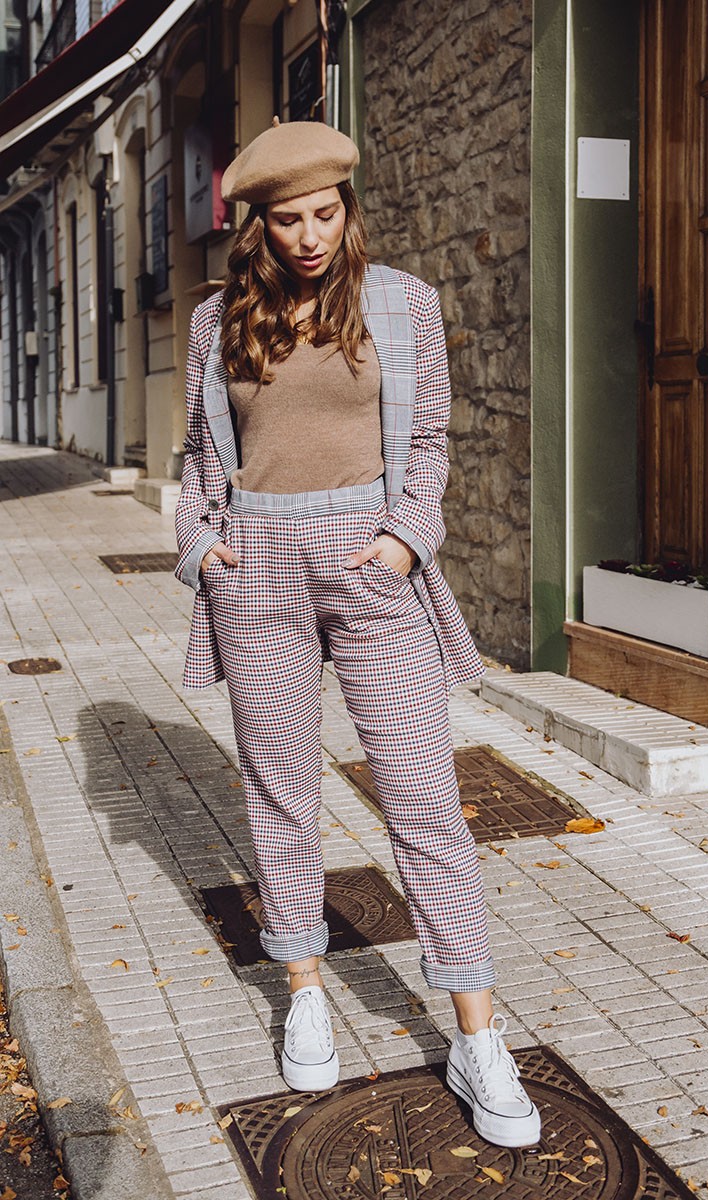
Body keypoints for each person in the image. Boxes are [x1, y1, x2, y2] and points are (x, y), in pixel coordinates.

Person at [174, 118, 540, 1149]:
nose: (308, 236)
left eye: (324, 214)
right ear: (257, 224)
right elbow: (201, 457)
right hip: (255, 571)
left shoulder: (402, 304)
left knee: (423, 798)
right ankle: (302, 985)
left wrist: (401, 543)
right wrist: (201, 545)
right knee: (279, 786)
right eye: (286, 219)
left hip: (368, 565)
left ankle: (475, 1034)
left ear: (348, 208)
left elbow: (428, 442)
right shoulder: (217, 321)